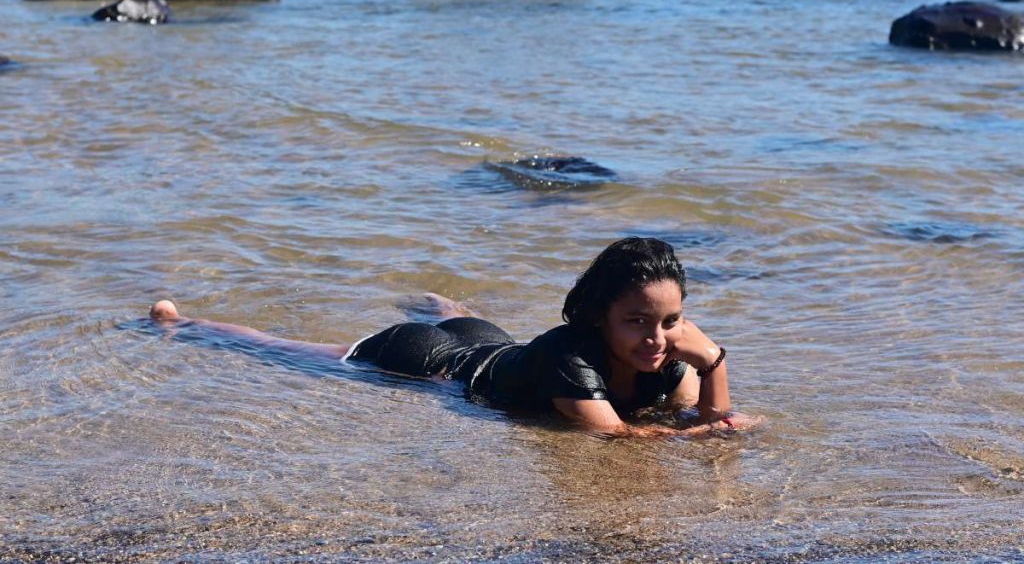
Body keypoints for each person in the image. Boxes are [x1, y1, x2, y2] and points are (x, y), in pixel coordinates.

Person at [148, 237, 761, 438]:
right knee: (290, 352)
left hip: (492, 343)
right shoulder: (572, 359)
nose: (657, 339)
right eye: (638, 321)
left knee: (461, 315)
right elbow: (621, 439)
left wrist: (712, 364)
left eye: (671, 321)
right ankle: (186, 323)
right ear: (600, 317)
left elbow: (699, 418)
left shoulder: (669, 355)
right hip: (430, 361)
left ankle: (437, 300)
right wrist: (716, 424)